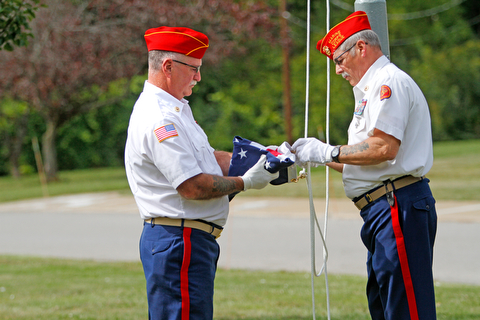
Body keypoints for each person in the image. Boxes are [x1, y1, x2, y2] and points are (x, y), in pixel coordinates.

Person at [124, 26, 279, 320]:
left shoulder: (176, 109)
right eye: (193, 68)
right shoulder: (160, 118)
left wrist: (264, 157)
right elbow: (192, 186)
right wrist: (245, 182)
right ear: (168, 67)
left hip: (186, 239)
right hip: (178, 239)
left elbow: (208, 160)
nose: (198, 77)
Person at [291, 12, 437, 320]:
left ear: (361, 48)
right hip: (382, 206)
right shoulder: (369, 91)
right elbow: (364, 164)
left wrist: (327, 150)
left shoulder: (387, 83)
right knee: (384, 304)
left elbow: (383, 148)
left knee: (405, 308)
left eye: (340, 59)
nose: (338, 69)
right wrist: (312, 154)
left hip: (397, 203)